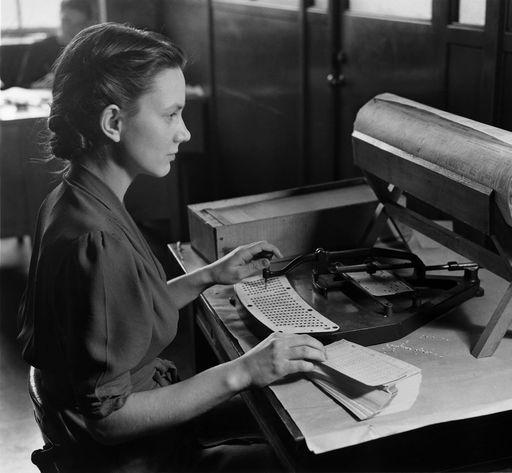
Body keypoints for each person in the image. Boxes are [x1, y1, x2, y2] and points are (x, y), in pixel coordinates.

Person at [17, 22, 326, 472]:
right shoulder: (97, 241)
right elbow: (109, 420)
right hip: (135, 457)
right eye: (170, 115)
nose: (185, 133)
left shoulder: (72, 199)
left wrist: (208, 275)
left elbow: (116, 310)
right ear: (113, 122)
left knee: (292, 411)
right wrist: (244, 370)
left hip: (134, 439)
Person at [16, 0, 97, 88]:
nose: (69, 27)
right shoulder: (38, 48)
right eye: (66, 21)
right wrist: (39, 86)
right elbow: (21, 85)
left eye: (78, 24)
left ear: (87, 25)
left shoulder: (93, 50)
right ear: (60, 18)